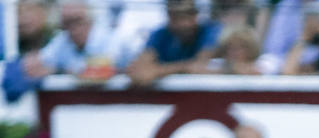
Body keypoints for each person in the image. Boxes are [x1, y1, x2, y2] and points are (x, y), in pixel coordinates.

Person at [9, 0, 139, 94]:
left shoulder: (110, 38)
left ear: (90, 20)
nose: (73, 28)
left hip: (116, 106)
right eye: (67, 23)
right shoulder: (62, 40)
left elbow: (99, 71)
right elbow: (33, 64)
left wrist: (59, 70)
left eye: (77, 20)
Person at [126, 0, 222, 85]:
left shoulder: (210, 31)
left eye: (188, 15)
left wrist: (157, 71)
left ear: (196, 15)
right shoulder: (160, 34)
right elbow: (142, 64)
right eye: (176, 17)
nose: (183, 24)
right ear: (169, 16)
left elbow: (199, 63)